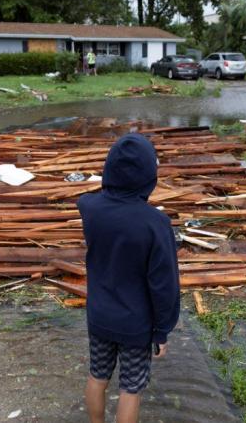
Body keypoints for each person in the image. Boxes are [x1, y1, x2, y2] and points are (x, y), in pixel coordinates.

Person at [77, 133, 180, 423]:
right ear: (149, 177)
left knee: (97, 375)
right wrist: (162, 330)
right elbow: (164, 285)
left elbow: (87, 199)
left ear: (109, 170)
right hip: (135, 324)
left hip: (99, 315)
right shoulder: (155, 224)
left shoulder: (90, 209)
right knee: (131, 388)